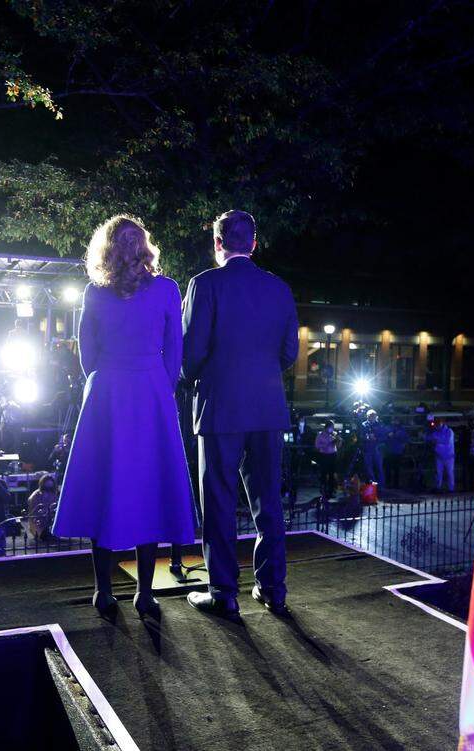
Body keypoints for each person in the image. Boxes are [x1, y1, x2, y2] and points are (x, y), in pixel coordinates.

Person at [53, 215, 196, 620]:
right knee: (150, 487)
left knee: (104, 484)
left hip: (108, 392)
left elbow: (86, 353)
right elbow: (175, 350)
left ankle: (103, 592)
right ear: (145, 247)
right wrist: (161, 385)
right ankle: (145, 594)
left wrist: (105, 380)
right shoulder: (167, 289)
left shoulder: (95, 292)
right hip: (151, 391)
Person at [181, 209, 299, 617]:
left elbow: (191, 354)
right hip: (267, 408)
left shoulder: (204, 284)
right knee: (269, 502)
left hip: (219, 408)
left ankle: (223, 592)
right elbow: (289, 352)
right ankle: (273, 588)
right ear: (254, 243)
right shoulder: (279, 288)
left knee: (218, 501)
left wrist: (193, 376)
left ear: (218, 243)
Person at [25, 473, 59, 542]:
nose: (49, 483)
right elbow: (33, 511)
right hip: (39, 523)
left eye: (51, 481)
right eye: (47, 481)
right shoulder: (36, 494)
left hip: (50, 520)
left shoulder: (54, 493)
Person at [426, 416, 456, 493]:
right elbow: (429, 438)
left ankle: (451, 489)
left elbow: (446, 441)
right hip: (439, 456)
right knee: (438, 473)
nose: (436, 426)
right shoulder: (436, 432)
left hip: (449, 457)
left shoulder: (449, 431)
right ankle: (438, 488)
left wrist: (436, 440)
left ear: (441, 424)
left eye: (437, 425)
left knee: (450, 473)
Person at [315, 420, 341, 499]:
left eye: (333, 427)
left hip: (333, 455)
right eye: (331, 427)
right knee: (324, 473)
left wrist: (338, 441)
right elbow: (317, 446)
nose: (332, 429)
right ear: (326, 427)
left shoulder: (334, 434)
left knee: (332, 474)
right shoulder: (320, 435)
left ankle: (331, 491)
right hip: (324, 455)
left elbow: (338, 446)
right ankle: (323, 490)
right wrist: (327, 444)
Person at [360, 409, 386, 489]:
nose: (372, 417)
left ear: (376, 416)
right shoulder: (363, 425)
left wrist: (376, 438)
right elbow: (361, 436)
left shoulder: (380, 425)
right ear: (367, 416)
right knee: (369, 468)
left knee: (379, 468)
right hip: (367, 449)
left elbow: (384, 437)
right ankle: (373, 486)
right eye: (370, 416)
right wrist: (367, 438)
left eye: (373, 416)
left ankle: (381, 487)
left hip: (377, 449)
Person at [382, 417, 408, 488]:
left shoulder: (402, 429)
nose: (395, 421)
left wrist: (403, 445)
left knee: (397, 469)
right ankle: (388, 484)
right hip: (389, 451)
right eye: (394, 420)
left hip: (398, 452)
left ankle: (396, 484)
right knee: (388, 468)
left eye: (397, 420)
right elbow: (384, 438)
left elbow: (405, 439)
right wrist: (388, 436)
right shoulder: (387, 428)